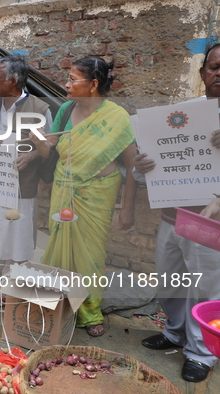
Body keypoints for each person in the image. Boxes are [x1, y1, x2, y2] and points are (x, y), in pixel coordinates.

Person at [33, 56, 137, 337]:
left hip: (97, 194)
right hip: (63, 189)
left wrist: (127, 209)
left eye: (72, 79)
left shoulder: (117, 117)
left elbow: (133, 165)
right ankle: (60, 303)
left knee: (90, 255)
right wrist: (38, 141)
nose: (66, 84)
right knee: (58, 247)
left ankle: (90, 311)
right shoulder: (66, 110)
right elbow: (49, 149)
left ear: (92, 84)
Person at [136, 43, 220, 382]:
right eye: (214, 67)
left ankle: (202, 353)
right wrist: (141, 168)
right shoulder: (182, 114)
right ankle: (175, 333)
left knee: (207, 289)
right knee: (171, 281)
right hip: (172, 216)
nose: (219, 74)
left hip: (209, 223)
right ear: (202, 74)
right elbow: (148, 170)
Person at [0, 54, 53, 303]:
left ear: (14, 81)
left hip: (20, 188)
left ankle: (13, 289)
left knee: (18, 241)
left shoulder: (39, 109)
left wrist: (33, 155)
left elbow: (49, 148)